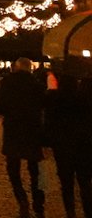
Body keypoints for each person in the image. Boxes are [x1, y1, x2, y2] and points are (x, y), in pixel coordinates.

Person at [0, 57, 46, 218]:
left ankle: (22, 199)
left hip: (13, 130)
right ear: (30, 68)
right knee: (35, 170)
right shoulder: (37, 85)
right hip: (32, 130)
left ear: (16, 67)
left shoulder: (7, 83)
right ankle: (38, 204)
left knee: (13, 169)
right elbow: (44, 104)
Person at [43, 72, 92, 218]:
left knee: (66, 184)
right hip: (83, 146)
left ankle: (70, 212)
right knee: (85, 183)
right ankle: (89, 212)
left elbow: (49, 124)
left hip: (63, 148)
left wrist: (48, 142)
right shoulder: (84, 99)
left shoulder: (54, 100)